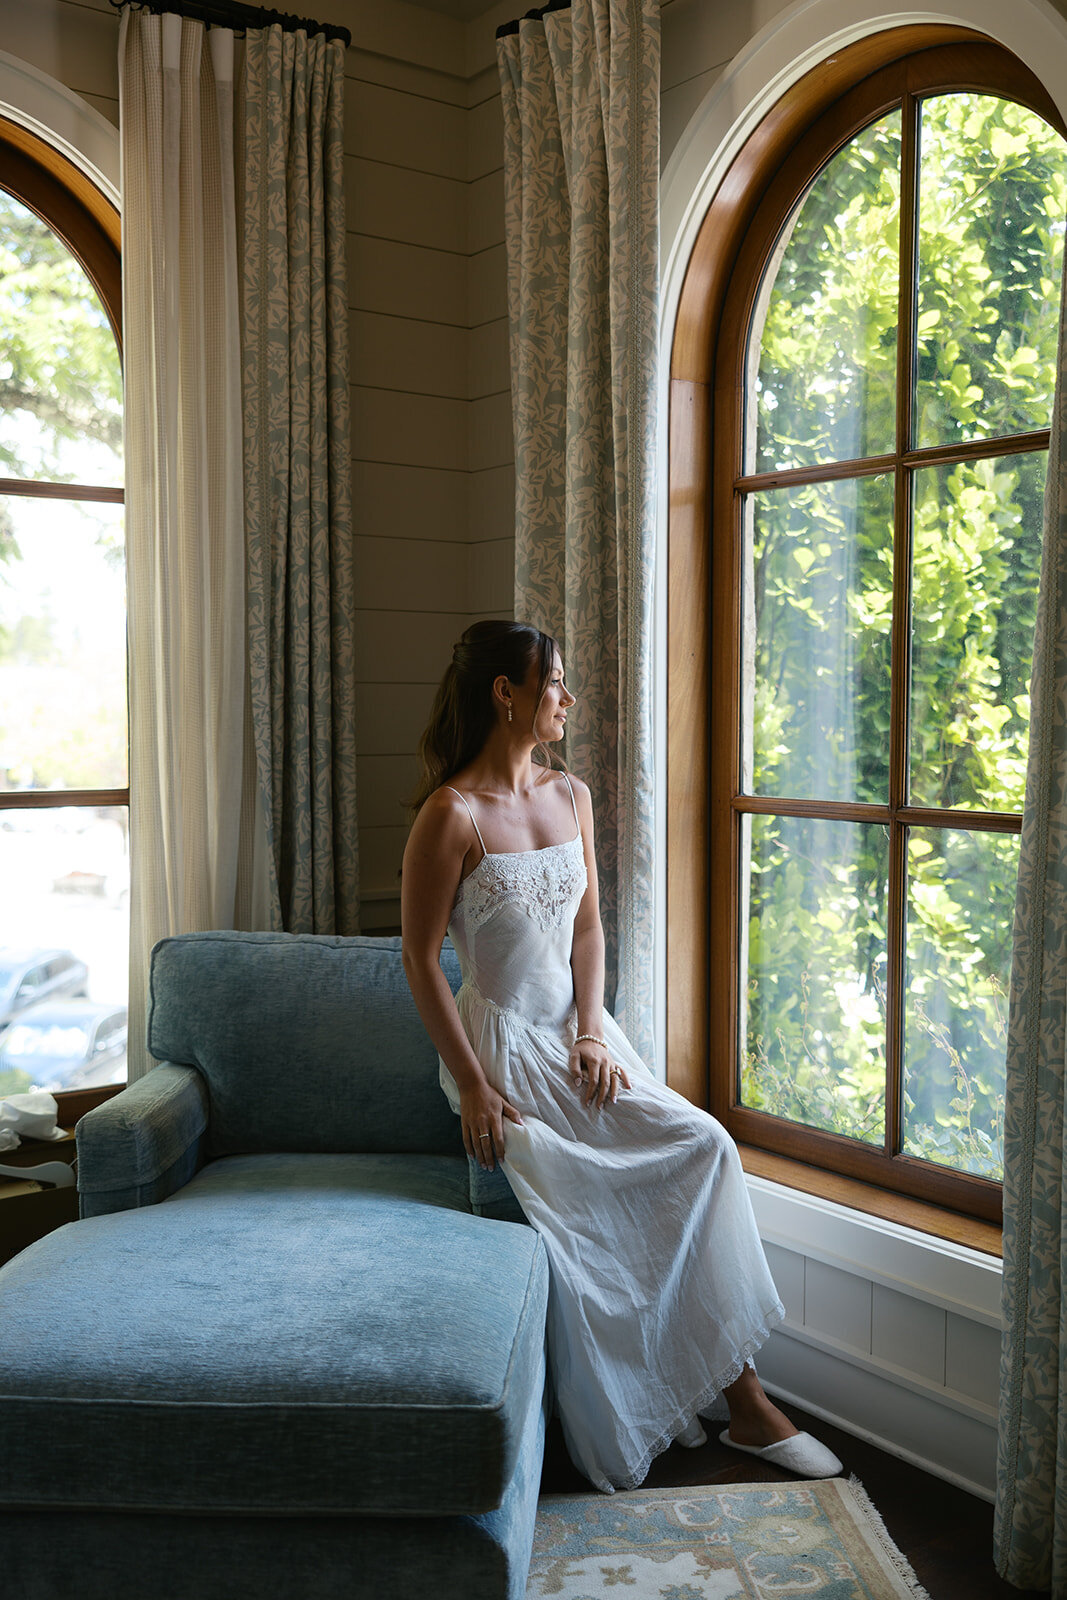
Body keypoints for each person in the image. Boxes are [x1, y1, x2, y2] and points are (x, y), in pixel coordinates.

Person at [400, 619, 841, 1493]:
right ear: (506, 692)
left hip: (582, 1034)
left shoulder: (571, 795)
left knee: (704, 1144)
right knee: (617, 1183)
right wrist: (474, 1086)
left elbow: (590, 928)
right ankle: (746, 1405)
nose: (567, 698)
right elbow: (417, 959)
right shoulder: (450, 815)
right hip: (503, 1049)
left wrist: (593, 1030)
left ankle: (732, 1392)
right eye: (554, 682)